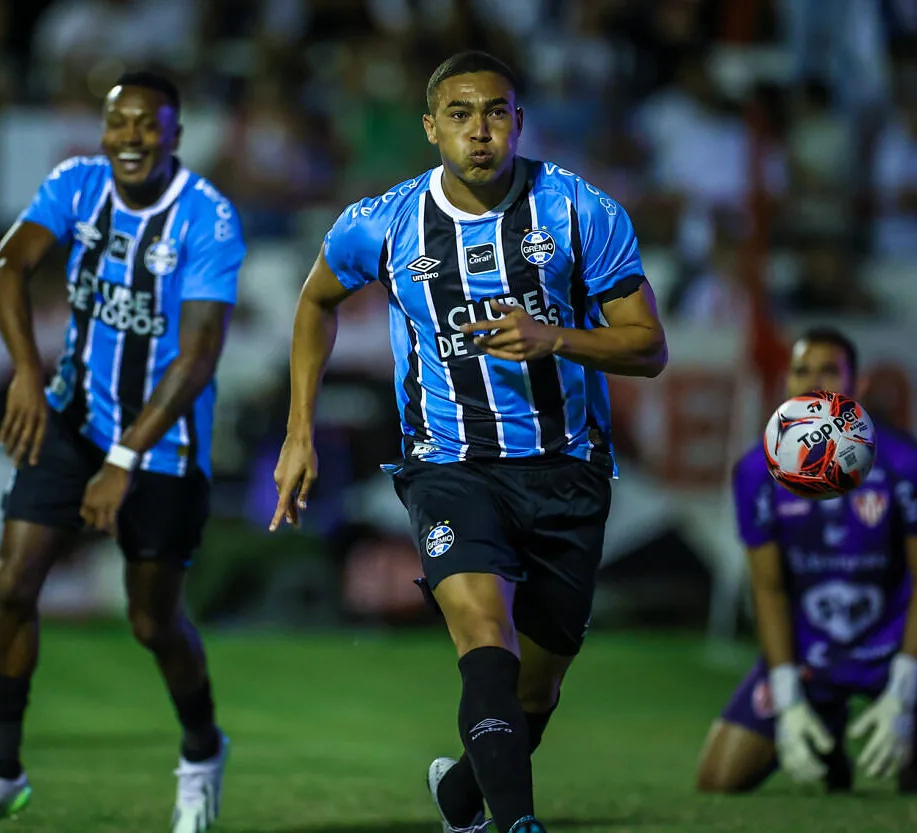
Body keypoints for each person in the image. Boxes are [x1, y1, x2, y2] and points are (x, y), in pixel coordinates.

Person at [271, 51, 667, 833]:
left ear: (519, 121)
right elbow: (316, 300)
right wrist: (298, 430)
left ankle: (461, 795)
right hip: (449, 466)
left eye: (495, 113)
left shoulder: (580, 212)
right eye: (460, 114)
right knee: (486, 636)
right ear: (430, 128)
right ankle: (517, 824)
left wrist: (554, 336)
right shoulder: (383, 222)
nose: (479, 131)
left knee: (538, 690)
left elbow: (648, 346)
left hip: (567, 467)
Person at [0, 71, 244, 833]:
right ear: (103, 131)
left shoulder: (207, 219)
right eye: (118, 124)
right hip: (71, 419)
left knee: (151, 622)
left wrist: (125, 460)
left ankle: (202, 753)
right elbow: (7, 267)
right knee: (11, 585)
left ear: (175, 135)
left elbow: (197, 355)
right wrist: (29, 377)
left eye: (147, 126)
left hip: (162, 446)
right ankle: (0, 772)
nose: (130, 139)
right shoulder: (76, 184)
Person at [696, 328, 917, 794]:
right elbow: (768, 587)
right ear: (785, 383)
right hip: (812, 654)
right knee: (718, 778)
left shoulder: (906, 462)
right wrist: (787, 696)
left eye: (828, 370)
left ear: (856, 385)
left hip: (892, 647)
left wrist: (904, 690)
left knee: (915, 781)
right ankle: (826, 739)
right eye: (802, 370)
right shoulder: (755, 473)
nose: (812, 382)